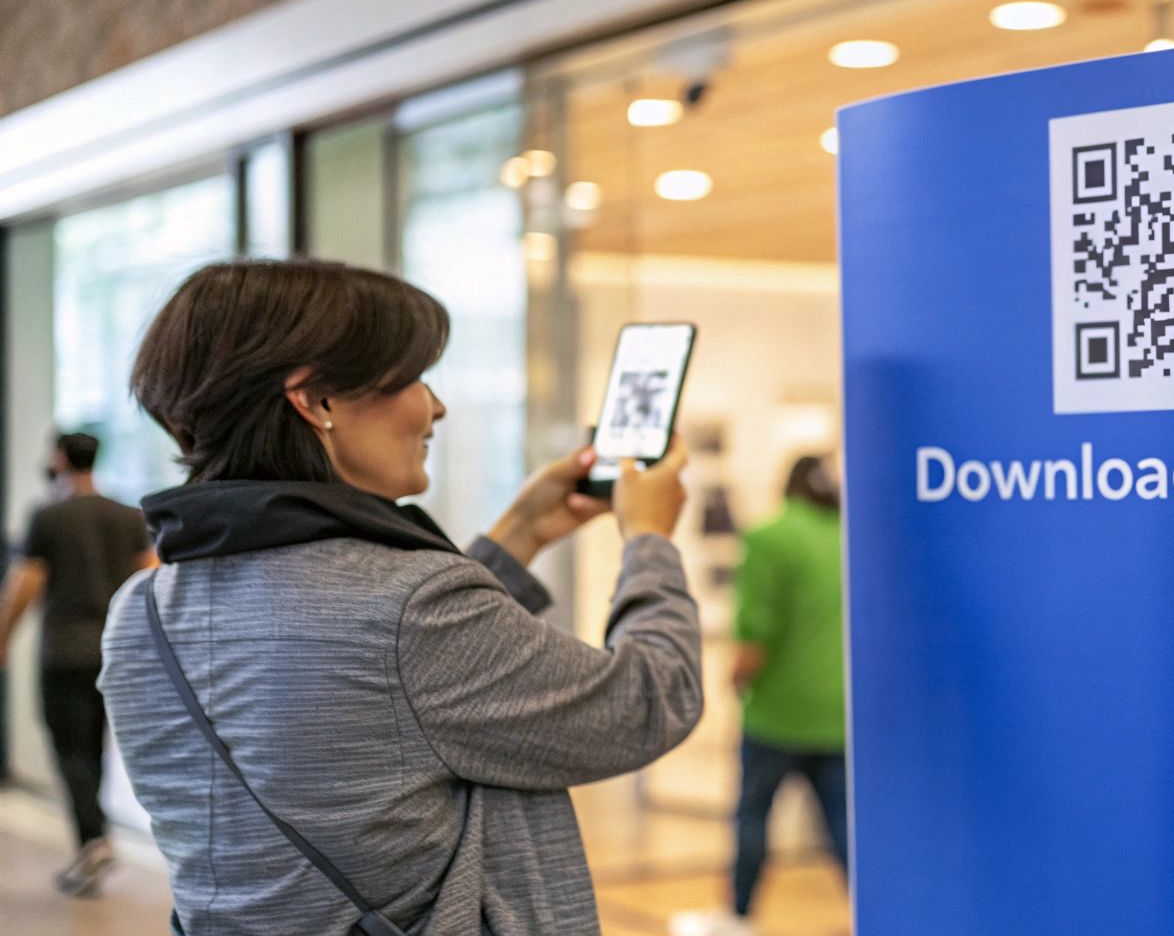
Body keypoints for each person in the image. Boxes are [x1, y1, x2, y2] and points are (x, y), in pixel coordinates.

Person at [97, 260, 703, 935]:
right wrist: (649, 537)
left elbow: (384, 692)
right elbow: (652, 700)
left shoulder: (140, 611)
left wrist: (521, 533)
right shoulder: (409, 607)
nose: (435, 407)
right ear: (317, 400)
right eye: (414, 377)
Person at [677, 456, 847, 936]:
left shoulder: (769, 537)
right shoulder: (845, 538)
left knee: (753, 816)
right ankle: (875, 911)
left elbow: (757, 633)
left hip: (778, 712)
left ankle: (737, 918)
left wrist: (734, 679)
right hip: (837, 713)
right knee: (843, 825)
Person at [0, 431, 155, 896]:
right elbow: (151, 577)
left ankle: (93, 839)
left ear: (61, 458)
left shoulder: (49, 516)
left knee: (73, 749)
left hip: (65, 652)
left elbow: (26, 583)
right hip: (118, 653)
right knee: (101, 746)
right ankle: (97, 836)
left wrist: (2, 638)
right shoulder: (129, 515)